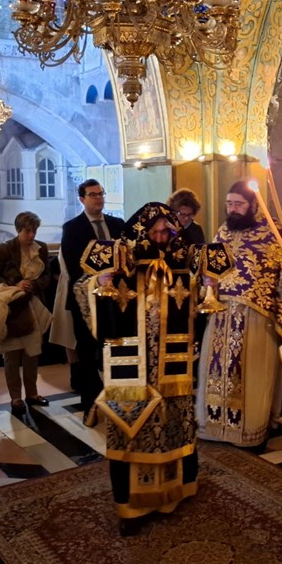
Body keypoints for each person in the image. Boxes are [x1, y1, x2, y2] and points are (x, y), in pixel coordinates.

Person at [76, 203, 201, 535]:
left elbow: (199, 306)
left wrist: (206, 288)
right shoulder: (123, 263)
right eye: (154, 231)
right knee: (131, 432)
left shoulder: (180, 265)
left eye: (166, 231)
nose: (160, 237)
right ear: (141, 232)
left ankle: (172, 494)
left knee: (172, 430)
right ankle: (131, 506)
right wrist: (100, 282)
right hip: (133, 368)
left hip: (171, 369)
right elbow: (83, 290)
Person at [196, 180, 282, 449]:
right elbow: (211, 266)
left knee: (250, 374)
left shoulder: (272, 231)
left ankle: (249, 431)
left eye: (239, 204)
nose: (233, 209)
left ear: (253, 205)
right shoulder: (223, 231)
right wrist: (208, 281)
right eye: (229, 204)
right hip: (221, 312)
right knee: (216, 370)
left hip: (255, 314)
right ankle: (214, 427)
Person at [60, 179, 125, 407]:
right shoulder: (72, 228)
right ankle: (90, 403)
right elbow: (72, 265)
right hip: (84, 299)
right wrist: (98, 278)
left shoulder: (117, 224)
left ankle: (117, 397)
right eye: (93, 194)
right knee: (87, 351)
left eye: (101, 194)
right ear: (82, 199)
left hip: (115, 300)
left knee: (116, 346)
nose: (98, 198)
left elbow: (127, 256)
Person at [0, 211, 53, 414]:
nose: (31, 235)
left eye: (34, 231)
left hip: (32, 304)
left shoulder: (41, 249)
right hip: (11, 308)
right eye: (27, 231)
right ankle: (15, 397)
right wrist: (13, 285)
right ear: (18, 230)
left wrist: (34, 285)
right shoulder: (5, 249)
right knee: (12, 355)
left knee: (32, 352)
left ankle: (32, 393)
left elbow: (47, 276)